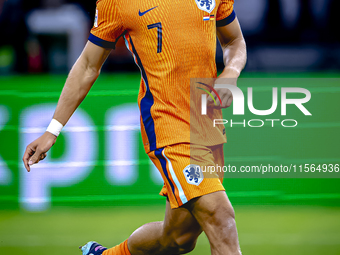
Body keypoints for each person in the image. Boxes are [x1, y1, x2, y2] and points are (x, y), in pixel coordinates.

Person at [22, 0, 247, 254]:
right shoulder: (117, 3)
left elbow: (234, 41)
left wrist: (231, 71)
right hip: (169, 125)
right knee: (221, 216)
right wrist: (53, 129)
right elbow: (88, 65)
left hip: (207, 123)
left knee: (178, 238)